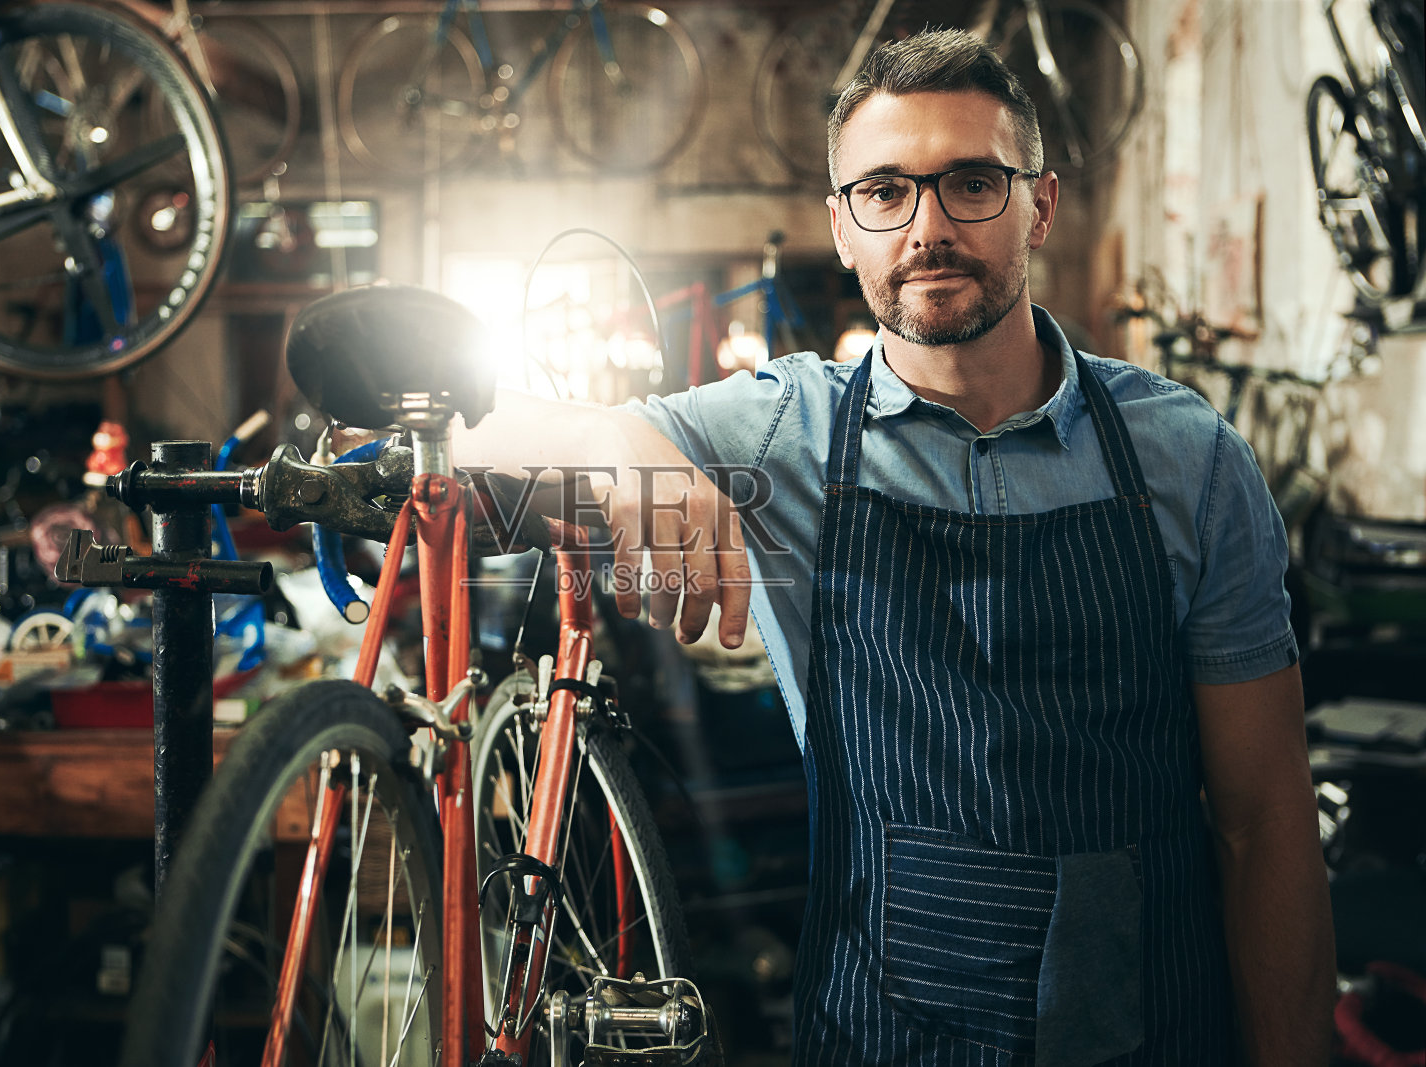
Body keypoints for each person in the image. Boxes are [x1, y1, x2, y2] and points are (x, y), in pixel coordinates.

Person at [456, 29, 1333, 1066]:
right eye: (883, 191)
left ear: (1038, 204)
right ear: (842, 225)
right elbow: (467, 430)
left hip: (1154, 1030)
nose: (926, 227)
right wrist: (615, 432)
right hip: (876, 1031)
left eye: (971, 182)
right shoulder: (783, 435)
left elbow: (1265, 820)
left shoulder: (1185, 456)